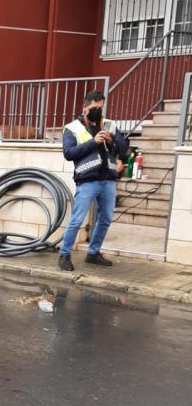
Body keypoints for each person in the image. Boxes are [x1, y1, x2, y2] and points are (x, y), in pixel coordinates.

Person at [58, 90, 128, 271]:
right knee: (77, 220)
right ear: (85, 108)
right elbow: (69, 153)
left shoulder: (110, 125)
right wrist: (94, 142)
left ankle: (93, 253)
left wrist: (111, 138)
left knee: (105, 218)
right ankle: (64, 255)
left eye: (100, 108)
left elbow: (124, 149)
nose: (97, 111)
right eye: (94, 108)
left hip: (109, 180)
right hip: (88, 181)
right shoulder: (72, 128)